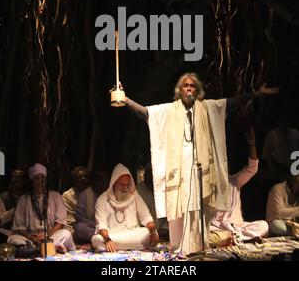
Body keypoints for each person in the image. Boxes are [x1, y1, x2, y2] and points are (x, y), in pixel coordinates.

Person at [116, 72, 278, 255]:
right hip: (178, 172)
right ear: (179, 90)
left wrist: (256, 94)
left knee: (199, 210)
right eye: (185, 85)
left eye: (192, 86)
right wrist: (126, 99)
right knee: (179, 211)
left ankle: (199, 247)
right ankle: (181, 249)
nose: (189, 89)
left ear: (197, 90)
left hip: (200, 172)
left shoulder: (207, 108)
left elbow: (231, 103)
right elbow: (145, 113)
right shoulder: (169, 110)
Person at [210, 126, 268, 244]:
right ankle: (234, 237)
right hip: (218, 228)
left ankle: (235, 237)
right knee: (206, 232)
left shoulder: (235, 181)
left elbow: (252, 168)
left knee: (263, 225)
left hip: (237, 226)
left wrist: (252, 145)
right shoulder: (210, 186)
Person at [7, 163, 75, 252]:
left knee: (66, 233)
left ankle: (38, 249)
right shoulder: (23, 199)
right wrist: (30, 237)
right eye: (37, 178)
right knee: (12, 238)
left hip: (50, 236)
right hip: (30, 238)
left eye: (43, 178)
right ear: (31, 181)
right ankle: (46, 248)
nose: (40, 181)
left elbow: (60, 222)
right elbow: (19, 226)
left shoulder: (56, 196)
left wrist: (47, 235)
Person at [91, 163, 159, 252]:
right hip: (111, 235)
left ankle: (115, 247)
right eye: (122, 184)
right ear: (114, 183)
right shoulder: (103, 199)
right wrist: (107, 240)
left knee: (148, 233)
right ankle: (131, 246)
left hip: (132, 233)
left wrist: (153, 232)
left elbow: (146, 216)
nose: (125, 188)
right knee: (97, 240)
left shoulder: (135, 196)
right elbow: (101, 224)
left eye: (127, 184)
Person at [136, 163, 169, 240]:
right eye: (148, 175)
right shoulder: (137, 191)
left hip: (163, 229)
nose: (150, 178)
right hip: (144, 229)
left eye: (152, 175)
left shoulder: (165, 189)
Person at [262, 116, 299, 184]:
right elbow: (266, 156)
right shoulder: (272, 135)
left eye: (286, 120)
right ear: (278, 121)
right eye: (282, 120)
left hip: (294, 175)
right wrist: (280, 168)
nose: (284, 122)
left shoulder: (295, 133)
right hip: (278, 175)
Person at [74, 170, 109, 243]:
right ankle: (102, 237)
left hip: (108, 225)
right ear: (94, 182)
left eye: (104, 181)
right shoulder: (85, 194)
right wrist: (97, 225)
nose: (102, 184)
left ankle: (102, 237)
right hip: (92, 226)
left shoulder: (109, 193)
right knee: (79, 228)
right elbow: (79, 217)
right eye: (99, 181)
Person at [62, 166, 90, 234]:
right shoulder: (67, 196)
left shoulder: (93, 193)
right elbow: (68, 220)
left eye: (85, 176)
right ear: (74, 180)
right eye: (79, 177)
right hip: (74, 226)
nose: (83, 178)